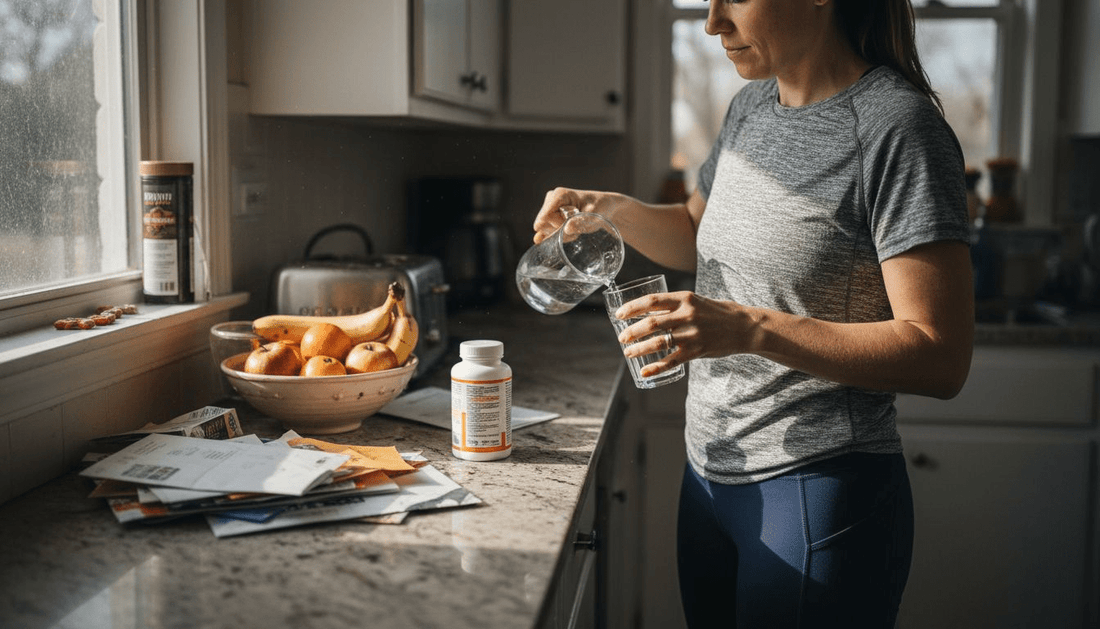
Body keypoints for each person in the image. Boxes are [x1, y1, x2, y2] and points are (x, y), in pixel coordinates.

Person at [529, 0, 974, 626]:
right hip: (710, 476)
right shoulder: (752, 106)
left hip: (817, 492)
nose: (713, 22)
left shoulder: (897, 128)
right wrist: (607, 209)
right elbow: (694, 229)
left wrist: (747, 327)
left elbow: (939, 355)